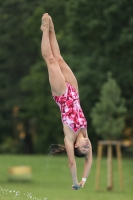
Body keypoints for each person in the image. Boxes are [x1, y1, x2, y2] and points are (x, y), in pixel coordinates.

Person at [41, 13, 92, 190]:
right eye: (88, 147)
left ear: (76, 146)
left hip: (62, 95)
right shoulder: (85, 136)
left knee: (51, 61)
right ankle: (52, 29)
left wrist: (75, 181)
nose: (87, 146)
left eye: (84, 148)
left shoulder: (70, 137)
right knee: (60, 57)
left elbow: (72, 163)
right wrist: (85, 180)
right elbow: (89, 161)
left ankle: (44, 30)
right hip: (74, 91)